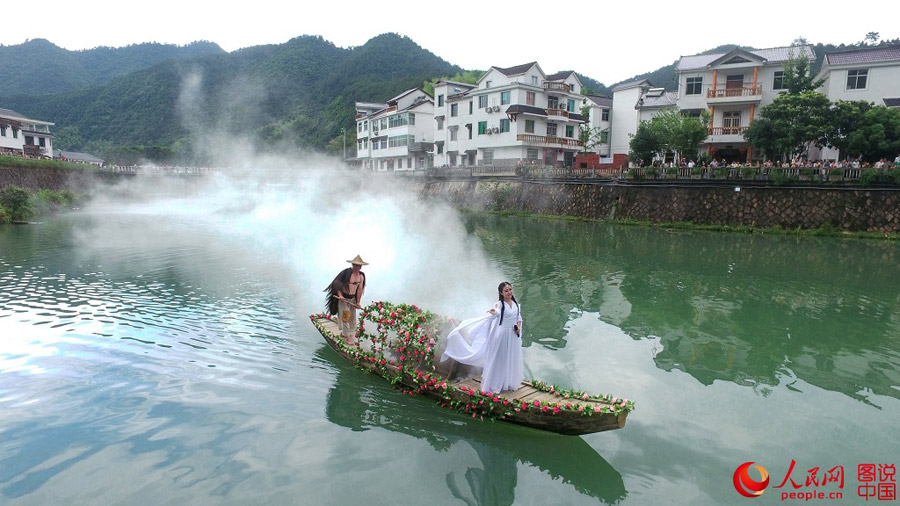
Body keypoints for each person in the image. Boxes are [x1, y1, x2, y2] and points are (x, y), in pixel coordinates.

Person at [440, 281, 524, 394]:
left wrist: (518, 328)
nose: (509, 292)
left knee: (510, 358)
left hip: (513, 335)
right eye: (506, 290)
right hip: (502, 335)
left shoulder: (515, 304)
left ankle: (508, 382)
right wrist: (494, 312)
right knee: (499, 359)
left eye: (510, 289)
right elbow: (497, 313)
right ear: (501, 292)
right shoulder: (499, 305)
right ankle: (495, 385)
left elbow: (519, 317)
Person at [324, 255, 368, 342]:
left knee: (352, 319)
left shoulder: (361, 276)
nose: (358, 267)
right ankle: (348, 337)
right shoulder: (346, 273)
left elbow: (359, 290)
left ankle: (345, 334)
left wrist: (358, 302)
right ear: (353, 265)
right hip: (344, 299)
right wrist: (340, 296)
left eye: (359, 265)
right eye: (356, 265)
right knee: (346, 317)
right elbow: (337, 284)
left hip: (352, 300)